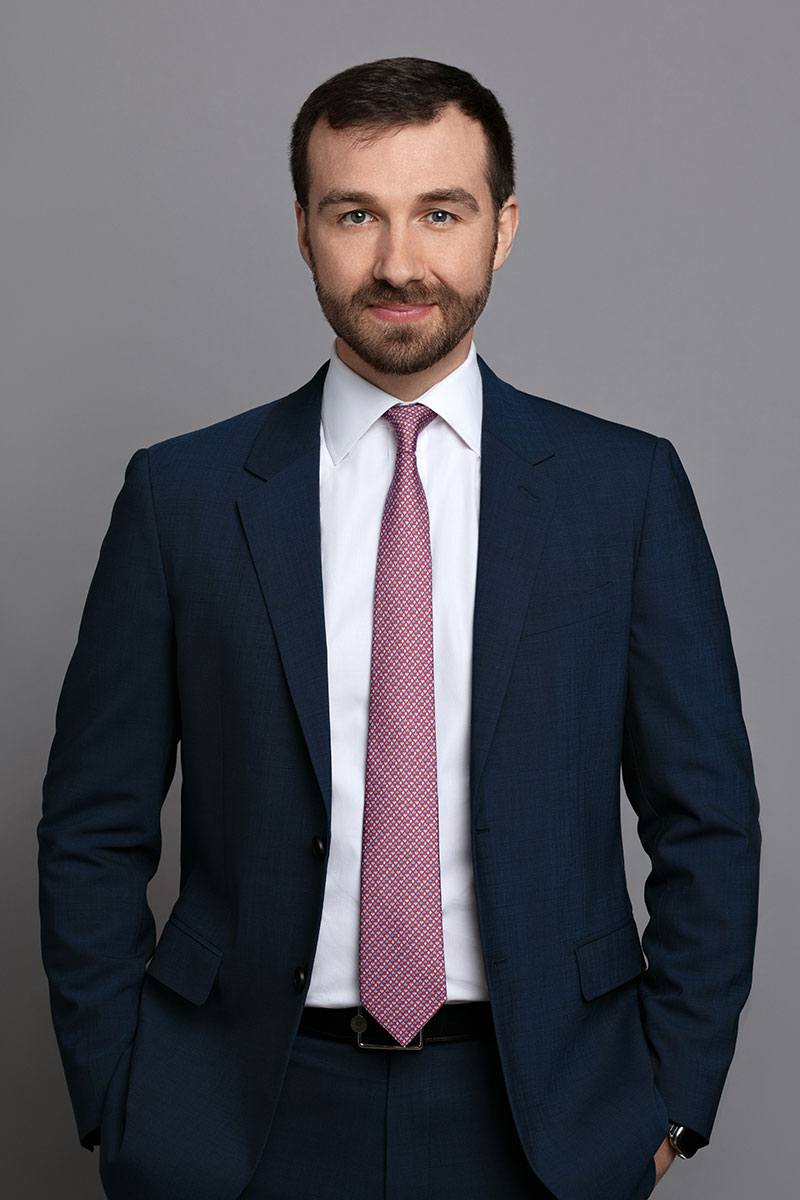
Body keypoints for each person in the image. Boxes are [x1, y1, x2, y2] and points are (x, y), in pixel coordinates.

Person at [37, 56, 761, 1200]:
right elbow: (92, 820)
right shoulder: (182, 497)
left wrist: (666, 1096)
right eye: (355, 214)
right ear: (301, 229)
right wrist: (117, 1087)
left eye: (440, 211)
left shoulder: (618, 494)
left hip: (544, 1118)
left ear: (502, 227)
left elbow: (707, 819)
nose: (397, 263)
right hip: (232, 1115)